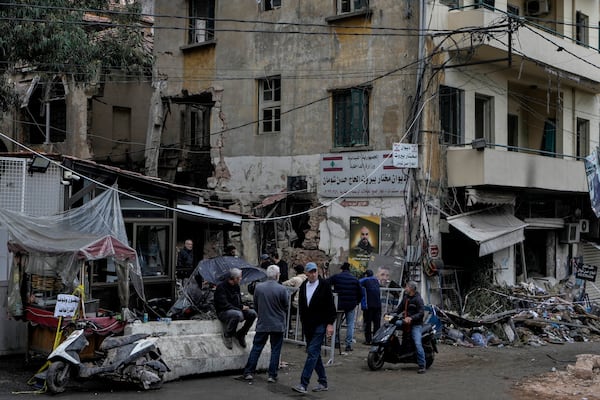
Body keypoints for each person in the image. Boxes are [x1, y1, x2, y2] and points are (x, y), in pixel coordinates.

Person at [292, 262, 336, 394]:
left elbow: (330, 305)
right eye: (310, 272)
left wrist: (330, 324)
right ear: (306, 273)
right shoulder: (304, 285)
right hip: (308, 325)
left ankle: (303, 383)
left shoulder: (324, 285)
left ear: (317, 272)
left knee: (312, 352)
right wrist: (302, 321)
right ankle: (323, 381)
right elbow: (302, 304)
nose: (312, 274)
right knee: (314, 354)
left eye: (314, 271)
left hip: (320, 324)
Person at [242, 265, 289, 383]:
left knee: (257, 348)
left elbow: (256, 305)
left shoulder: (259, 288)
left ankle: (248, 371)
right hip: (277, 323)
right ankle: (272, 375)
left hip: (263, 322)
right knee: (275, 350)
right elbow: (286, 306)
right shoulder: (282, 289)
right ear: (278, 275)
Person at [214, 268, 257, 350]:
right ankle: (228, 335)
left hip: (236, 309)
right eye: (240, 277)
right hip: (224, 312)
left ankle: (241, 334)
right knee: (238, 314)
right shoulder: (221, 287)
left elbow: (238, 302)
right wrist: (240, 308)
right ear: (234, 278)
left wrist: (244, 306)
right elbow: (224, 305)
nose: (241, 279)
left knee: (252, 314)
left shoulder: (236, 286)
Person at [328, 262, 362, 352]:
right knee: (350, 324)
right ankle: (348, 345)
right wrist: (356, 302)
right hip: (351, 305)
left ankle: (336, 342)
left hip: (338, 304)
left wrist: (331, 295)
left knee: (337, 324)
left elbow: (326, 283)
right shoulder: (355, 279)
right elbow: (361, 293)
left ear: (342, 269)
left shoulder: (336, 277)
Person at [394, 280, 426, 373]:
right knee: (390, 326)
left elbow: (421, 313)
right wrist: (390, 313)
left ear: (411, 288)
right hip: (404, 322)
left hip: (415, 325)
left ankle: (422, 365)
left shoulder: (418, 299)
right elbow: (399, 309)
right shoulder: (406, 297)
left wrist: (411, 318)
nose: (405, 288)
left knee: (417, 344)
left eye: (407, 287)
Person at [282, 264, 307, 333]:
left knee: (286, 310)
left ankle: (288, 328)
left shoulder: (295, 279)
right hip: (305, 302)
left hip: (296, 302)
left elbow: (283, 284)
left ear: (296, 271)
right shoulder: (306, 278)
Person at [359, 269, 381, 345]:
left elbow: (357, 283)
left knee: (367, 323)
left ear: (366, 275)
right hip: (378, 305)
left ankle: (368, 340)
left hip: (369, 305)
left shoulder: (365, 280)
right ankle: (376, 340)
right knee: (377, 323)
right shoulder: (376, 280)